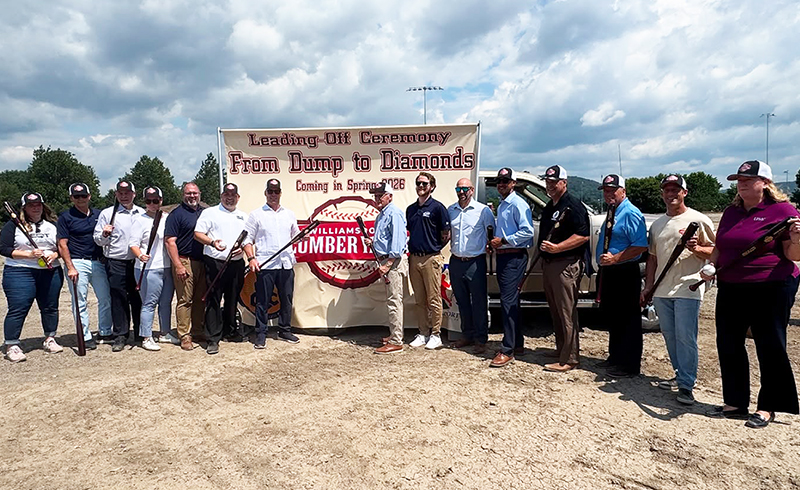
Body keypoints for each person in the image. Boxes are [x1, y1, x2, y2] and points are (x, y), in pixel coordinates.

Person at [702, 160, 800, 428]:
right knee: (728, 343)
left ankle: (768, 406)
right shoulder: (731, 212)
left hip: (770, 285)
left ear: (765, 183)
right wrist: (711, 264)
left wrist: (796, 239)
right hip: (731, 285)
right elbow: (720, 245)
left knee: (770, 344)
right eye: (739, 180)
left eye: (748, 180)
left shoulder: (783, 211)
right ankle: (735, 403)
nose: (741, 184)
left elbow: (793, 255)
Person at [640, 175, 715, 404]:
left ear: (685, 192)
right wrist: (649, 286)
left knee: (685, 336)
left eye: (675, 190)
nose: (671, 194)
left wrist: (697, 249)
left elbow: (715, 251)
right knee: (670, 335)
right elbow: (652, 258)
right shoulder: (657, 225)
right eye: (667, 190)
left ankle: (686, 384)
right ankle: (680, 374)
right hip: (662, 288)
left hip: (688, 286)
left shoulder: (699, 220)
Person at [595, 174, 648, 378]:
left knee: (628, 318)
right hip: (610, 270)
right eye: (605, 191)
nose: (608, 194)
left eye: (612, 190)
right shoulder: (613, 210)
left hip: (624, 271)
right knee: (614, 316)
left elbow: (640, 245)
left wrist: (615, 258)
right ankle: (615, 357)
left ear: (623, 191)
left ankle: (629, 365)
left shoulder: (630, 213)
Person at [538, 165, 590, 373]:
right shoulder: (551, 205)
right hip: (551, 264)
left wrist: (557, 248)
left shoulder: (573, 206)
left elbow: (583, 235)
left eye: (553, 182)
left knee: (567, 312)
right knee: (556, 311)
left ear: (564, 183)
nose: (549, 185)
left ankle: (570, 358)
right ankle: (561, 349)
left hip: (565, 264)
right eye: (547, 181)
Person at [1, 193, 63, 362]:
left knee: (50, 306)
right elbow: (3, 248)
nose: (35, 207)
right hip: (20, 271)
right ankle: (12, 344)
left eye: (38, 204)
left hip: (50, 270)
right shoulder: (14, 225)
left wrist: (55, 255)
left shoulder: (53, 225)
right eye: (31, 205)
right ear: (24, 208)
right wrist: (28, 254)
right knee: (19, 307)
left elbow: (63, 245)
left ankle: (50, 338)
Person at [243, 179, 301, 349]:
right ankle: (261, 334)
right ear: (265, 193)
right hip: (266, 264)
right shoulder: (256, 215)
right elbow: (247, 240)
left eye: (276, 191)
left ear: (280, 193)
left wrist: (303, 236)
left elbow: (296, 235)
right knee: (263, 301)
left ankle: (285, 330)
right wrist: (251, 258)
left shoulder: (289, 214)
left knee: (286, 299)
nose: (273, 195)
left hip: (286, 263)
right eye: (270, 191)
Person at [57, 183, 112, 350]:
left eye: (83, 196)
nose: (80, 199)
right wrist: (70, 267)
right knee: (80, 301)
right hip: (77, 261)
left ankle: (105, 331)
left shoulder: (99, 214)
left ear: (89, 196)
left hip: (98, 261)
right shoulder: (66, 217)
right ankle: (85, 335)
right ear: (71, 198)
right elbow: (62, 244)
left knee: (105, 298)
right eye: (76, 196)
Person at [195, 183, 248, 355]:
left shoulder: (243, 216)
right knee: (214, 300)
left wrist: (243, 248)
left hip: (236, 263)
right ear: (221, 196)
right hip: (215, 262)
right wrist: (212, 242)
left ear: (238, 197)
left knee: (232, 298)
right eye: (226, 195)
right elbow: (198, 234)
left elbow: (249, 239)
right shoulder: (209, 213)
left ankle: (230, 331)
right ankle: (213, 338)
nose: (229, 198)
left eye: (233, 195)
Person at [489, 168, 534, 368]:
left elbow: (528, 232)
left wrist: (504, 240)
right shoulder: (504, 204)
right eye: (499, 181)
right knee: (512, 301)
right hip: (505, 255)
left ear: (513, 183)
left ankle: (507, 350)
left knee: (507, 302)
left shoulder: (517, 204)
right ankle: (517, 343)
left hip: (513, 256)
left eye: (505, 181)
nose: (501, 184)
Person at [94, 181, 144, 352]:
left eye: (127, 193)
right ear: (116, 194)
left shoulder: (142, 213)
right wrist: (104, 234)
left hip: (137, 262)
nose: (124, 196)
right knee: (118, 299)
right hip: (116, 261)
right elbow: (97, 240)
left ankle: (140, 332)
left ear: (134, 194)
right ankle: (121, 335)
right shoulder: (108, 214)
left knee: (138, 298)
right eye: (121, 193)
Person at [448, 178, 495, 354]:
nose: (461, 192)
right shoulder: (451, 210)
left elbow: (491, 233)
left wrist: (490, 246)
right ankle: (467, 334)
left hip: (475, 261)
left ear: (472, 190)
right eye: (458, 189)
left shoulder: (483, 211)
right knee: (461, 301)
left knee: (479, 302)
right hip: (456, 261)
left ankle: (481, 339)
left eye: (465, 189)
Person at [406, 172, 450, 350]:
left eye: (424, 184)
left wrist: (433, 248)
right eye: (418, 183)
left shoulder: (438, 208)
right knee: (419, 299)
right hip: (414, 258)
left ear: (432, 186)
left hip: (431, 257)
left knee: (434, 298)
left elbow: (446, 235)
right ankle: (423, 333)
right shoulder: (411, 209)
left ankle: (436, 335)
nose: (421, 187)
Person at [363, 182, 409, 354]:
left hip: (393, 263)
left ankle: (396, 341)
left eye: (380, 195)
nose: (377, 199)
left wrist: (388, 264)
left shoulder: (394, 213)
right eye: (375, 195)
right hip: (387, 261)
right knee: (392, 300)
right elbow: (386, 239)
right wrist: (373, 242)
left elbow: (397, 242)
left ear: (389, 196)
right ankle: (394, 335)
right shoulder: (382, 214)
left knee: (394, 301)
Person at [130, 187, 176, 352]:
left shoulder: (167, 218)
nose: (152, 204)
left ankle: (165, 332)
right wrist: (140, 255)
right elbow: (133, 243)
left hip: (166, 266)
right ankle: (146, 336)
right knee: (149, 303)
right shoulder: (139, 220)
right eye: (148, 201)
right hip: (148, 268)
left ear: (161, 201)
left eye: (155, 200)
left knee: (166, 302)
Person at [164, 182, 206, 351]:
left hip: (202, 261)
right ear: (183, 195)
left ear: (199, 194)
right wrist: (178, 265)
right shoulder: (176, 214)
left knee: (200, 298)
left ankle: (197, 330)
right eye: (189, 193)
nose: (192, 196)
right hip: (184, 260)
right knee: (185, 299)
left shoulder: (204, 213)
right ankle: (184, 335)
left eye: (195, 193)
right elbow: (170, 241)